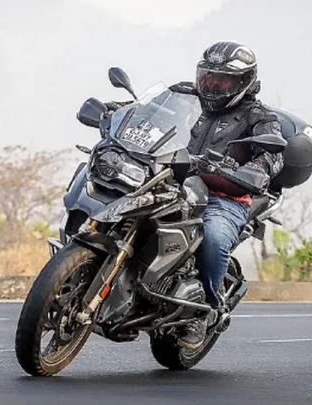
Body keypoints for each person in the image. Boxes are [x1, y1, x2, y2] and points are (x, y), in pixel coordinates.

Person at [104, 41, 286, 350]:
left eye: (222, 80)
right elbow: (145, 111)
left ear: (243, 82)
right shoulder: (183, 95)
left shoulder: (258, 116)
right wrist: (117, 111)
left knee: (213, 237)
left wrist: (257, 168)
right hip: (168, 180)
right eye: (207, 76)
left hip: (223, 196)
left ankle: (206, 311)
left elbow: (272, 154)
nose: (212, 85)